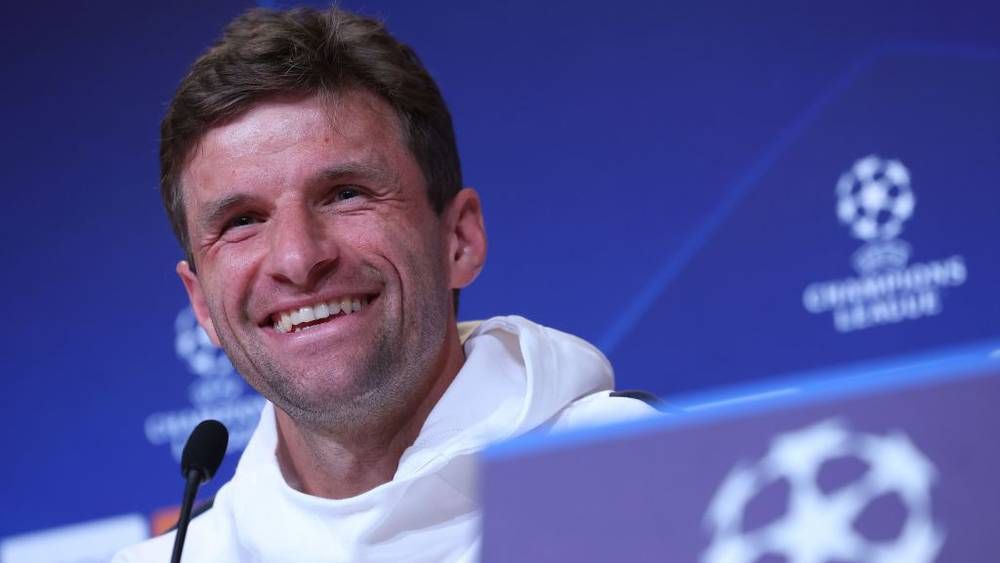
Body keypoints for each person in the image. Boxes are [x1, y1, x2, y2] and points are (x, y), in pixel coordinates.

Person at [114, 6, 658, 562]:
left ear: (459, 240)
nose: (298, 259)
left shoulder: (650, 478)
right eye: (242, 221)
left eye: (345, 194)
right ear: (202, 304)